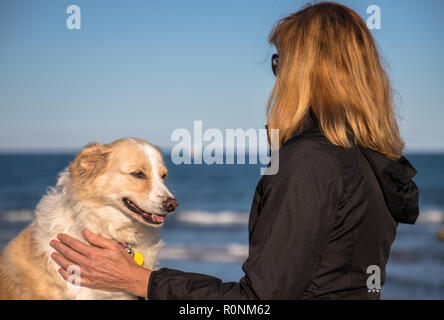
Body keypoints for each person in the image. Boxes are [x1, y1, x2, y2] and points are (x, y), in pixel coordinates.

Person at [50, 2, 419, 300]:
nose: (277, 77)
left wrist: (138, 280)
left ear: (304, 74)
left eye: (280, 62)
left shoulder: (310, 161)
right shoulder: (375, 161)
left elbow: (257, 301)